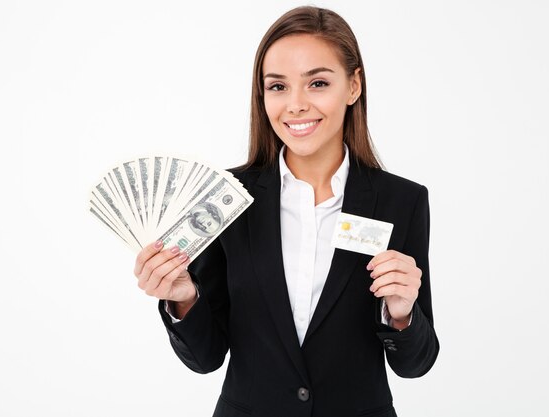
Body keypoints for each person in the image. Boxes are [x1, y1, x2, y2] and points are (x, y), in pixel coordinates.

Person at [134, 6, 439, 417]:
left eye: (317, 83)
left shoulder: (402, 201)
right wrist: (184, 300)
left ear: (353, 86)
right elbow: (205, 358)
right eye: (278, 86)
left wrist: (401, 313)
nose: (295, 105)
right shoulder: (223, 197)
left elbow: (415, 363)